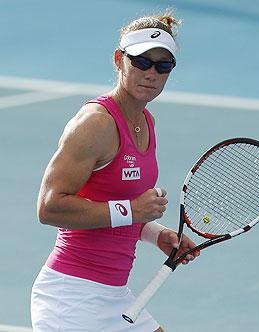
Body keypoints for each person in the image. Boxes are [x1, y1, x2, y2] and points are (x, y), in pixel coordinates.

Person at [31, 10, 199, 332]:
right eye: (141, 62)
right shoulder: (95, 124)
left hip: (114, 296)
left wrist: (156, 233)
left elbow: (118, 212)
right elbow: (49, 207)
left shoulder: (147, 123)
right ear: (119, 59)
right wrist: (133, 209)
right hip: (72, 298)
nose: (151, 73)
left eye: (163, 66)